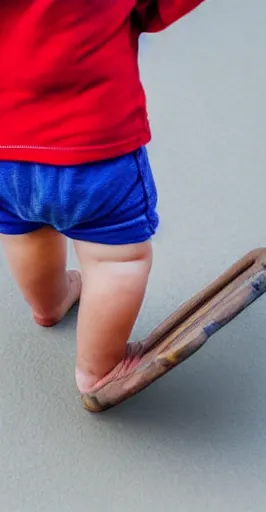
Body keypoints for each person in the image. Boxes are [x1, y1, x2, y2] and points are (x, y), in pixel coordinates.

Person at [0, 0, 205, 396]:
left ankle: (50, 304)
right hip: (94, 150)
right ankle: (100, 369)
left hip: (4, 153)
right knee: (118, 261)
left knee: (26, 233)